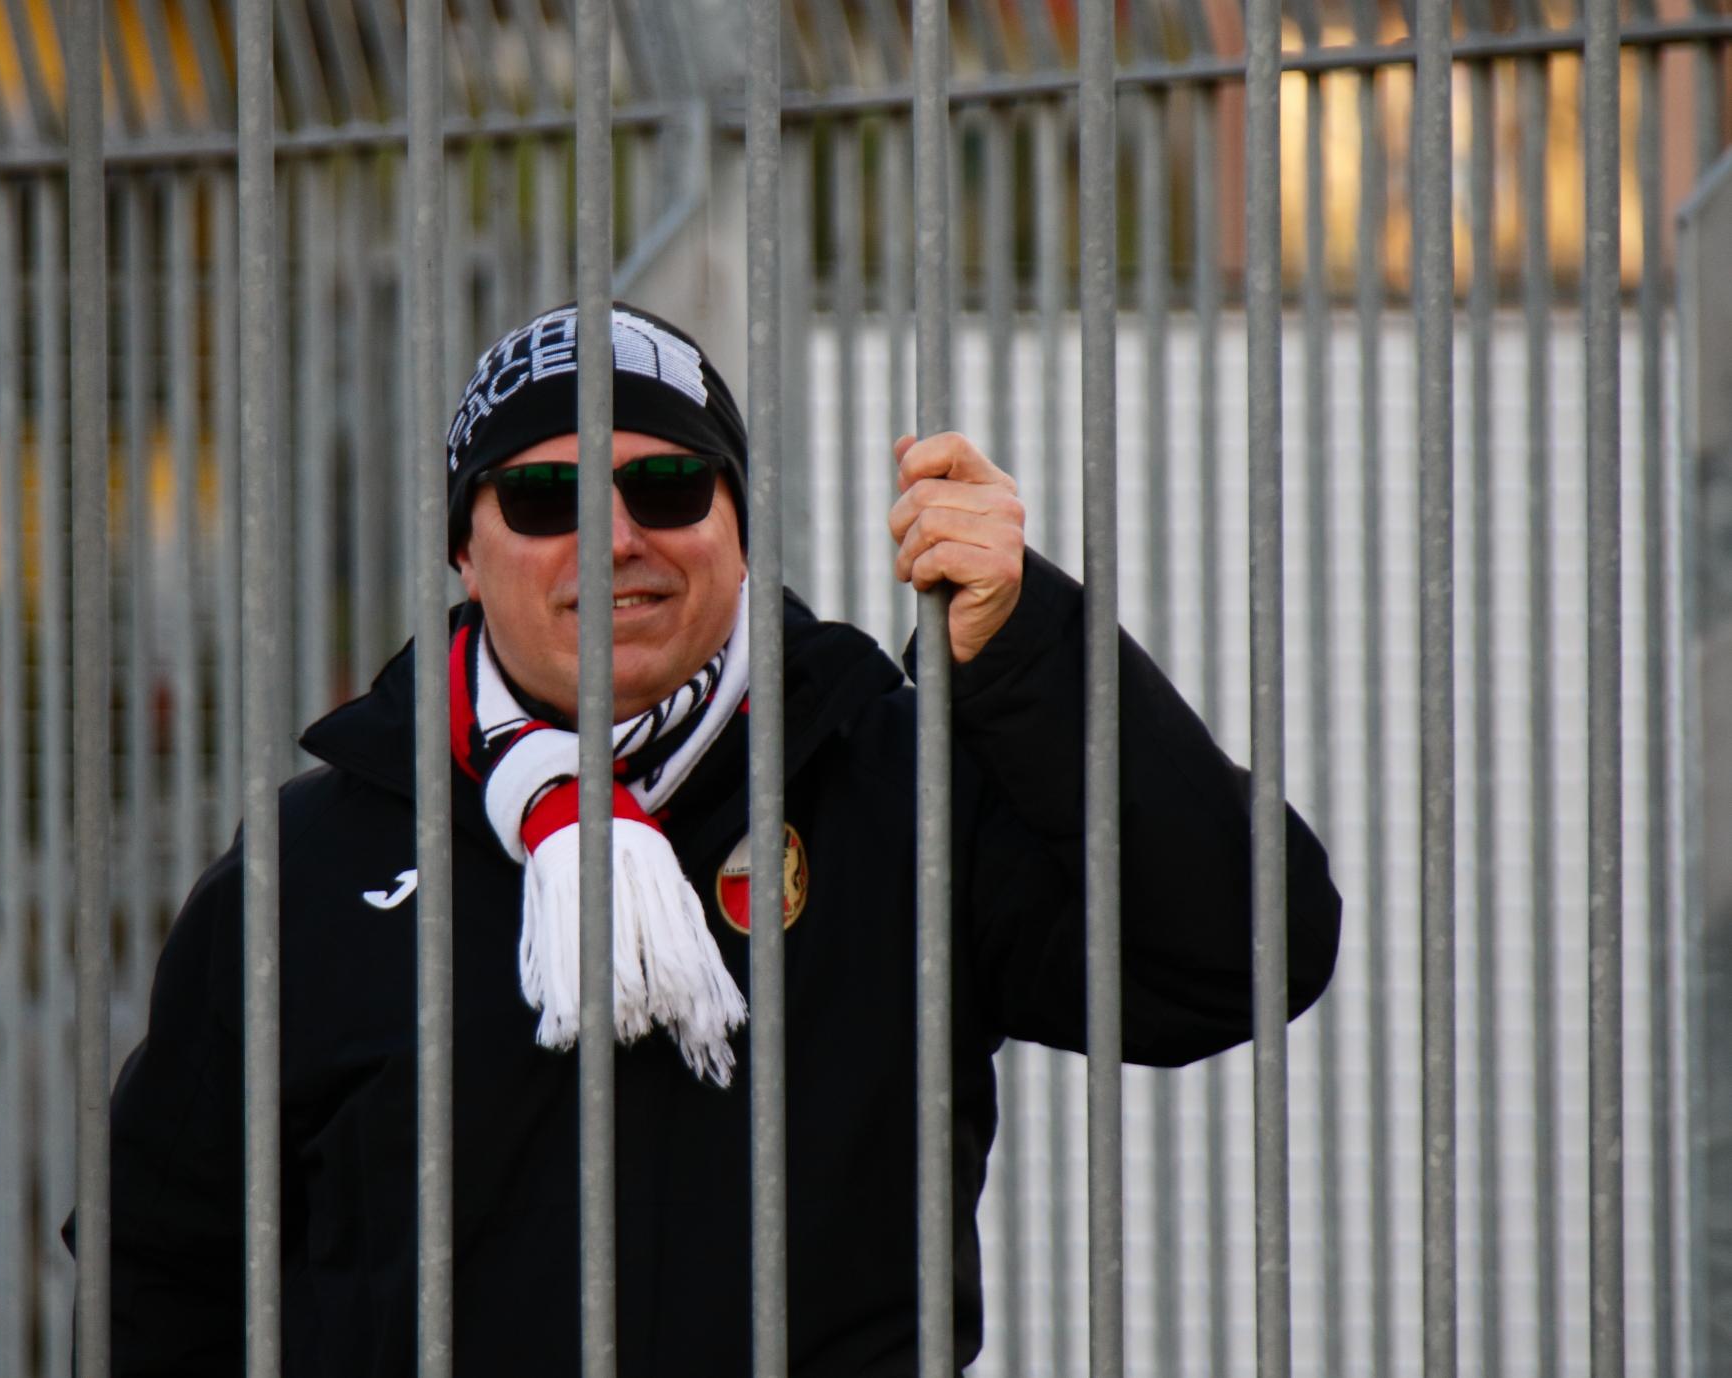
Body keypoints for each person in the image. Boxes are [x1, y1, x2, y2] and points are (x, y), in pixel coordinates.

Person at [85, 302, 1341, 1376]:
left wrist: (1029, 650)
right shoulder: (316, 864)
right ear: (466, 549)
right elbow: (158, 1272)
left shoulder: (894, 789)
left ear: (738, 524)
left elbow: (1240, 953)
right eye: (545, 496)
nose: (614, 536)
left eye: (668, 485)